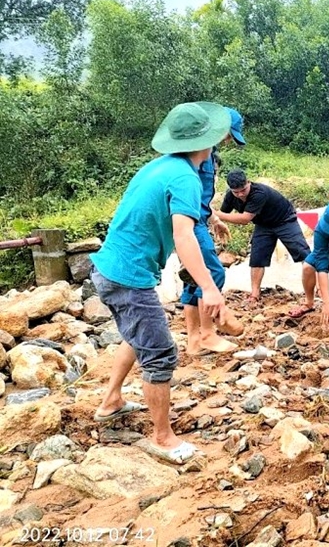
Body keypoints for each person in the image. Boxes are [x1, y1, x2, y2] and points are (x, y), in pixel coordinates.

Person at [91, 101, 230, 465]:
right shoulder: (185, 177)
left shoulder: (161, 167)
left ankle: (111, 402)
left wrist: (212, 218)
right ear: (209, 142)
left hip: (111, 268)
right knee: (160, 351)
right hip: (127, 278)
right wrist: (210, 287)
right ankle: (163, 438)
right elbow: (183, 237)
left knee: (136, 336)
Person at [181, 107, 246, 355]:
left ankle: (194, 343)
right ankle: (208, 333)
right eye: (228, 135)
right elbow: (187, 193)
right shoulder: (197, 153)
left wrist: (214, 218)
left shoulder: (208, 154)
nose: (228, 140)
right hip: (190, 223)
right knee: (212, 274)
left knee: (193, 279)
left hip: (198, 218)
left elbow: (201, 195)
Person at [215, 169, 311, 302]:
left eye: (243, 190)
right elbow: (223, 213)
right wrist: (217, 222)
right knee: (257, 257)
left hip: (284, 220)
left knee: (303, 253)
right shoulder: (231, 196)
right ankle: (254, 294)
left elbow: (244, 219)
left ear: (248, 182)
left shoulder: (259, 193)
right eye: (236, 192)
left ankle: (315, 288)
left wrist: (215, 214)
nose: (240, 194)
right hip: (263, 224)